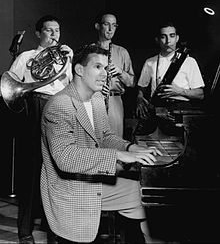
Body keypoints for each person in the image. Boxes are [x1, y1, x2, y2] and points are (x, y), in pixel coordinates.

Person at [40, 44, 162, 244]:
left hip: (90, 178)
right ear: (79, 70)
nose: (104, 74)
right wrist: (117, 156)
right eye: (98, 67)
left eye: (106, 68)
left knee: (144, 194)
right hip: (70, 187)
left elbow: (105, 136)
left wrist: (130, 148)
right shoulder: (59, 105)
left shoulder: (96, 98)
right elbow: (65, 158)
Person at [8, 15, 73, 244]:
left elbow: (72, 87)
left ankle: (54, 230)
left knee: (55, 171)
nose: (54, 34)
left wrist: (69, 60)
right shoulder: (27, 57)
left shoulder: (65, 59)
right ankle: (25, 231)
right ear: (39, 34)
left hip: (58, 108)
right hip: (34, 106)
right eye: (48, 30)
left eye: (57, 30)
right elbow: (10, 85)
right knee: (30, 170)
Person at [137, 21, 205, 135]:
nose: (168, 41)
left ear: (177, 38)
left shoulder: (189, 61)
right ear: (157, 40)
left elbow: (200, 94)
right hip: (157, 110)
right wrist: (139, 98)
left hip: (181, 111)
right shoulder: (150, 62)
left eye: (172, 36)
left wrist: (179, 91)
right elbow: (141, 88)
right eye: (163, 37)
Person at [94, 12, 135, 138]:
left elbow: (131, 83)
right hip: (93, 100)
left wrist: (120, 72)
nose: (111, 29)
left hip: (115, 101)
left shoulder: (122, 52)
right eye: (106, 24)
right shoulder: (89, 51)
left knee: (115, 141)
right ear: (98, 26)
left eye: (114, 25)